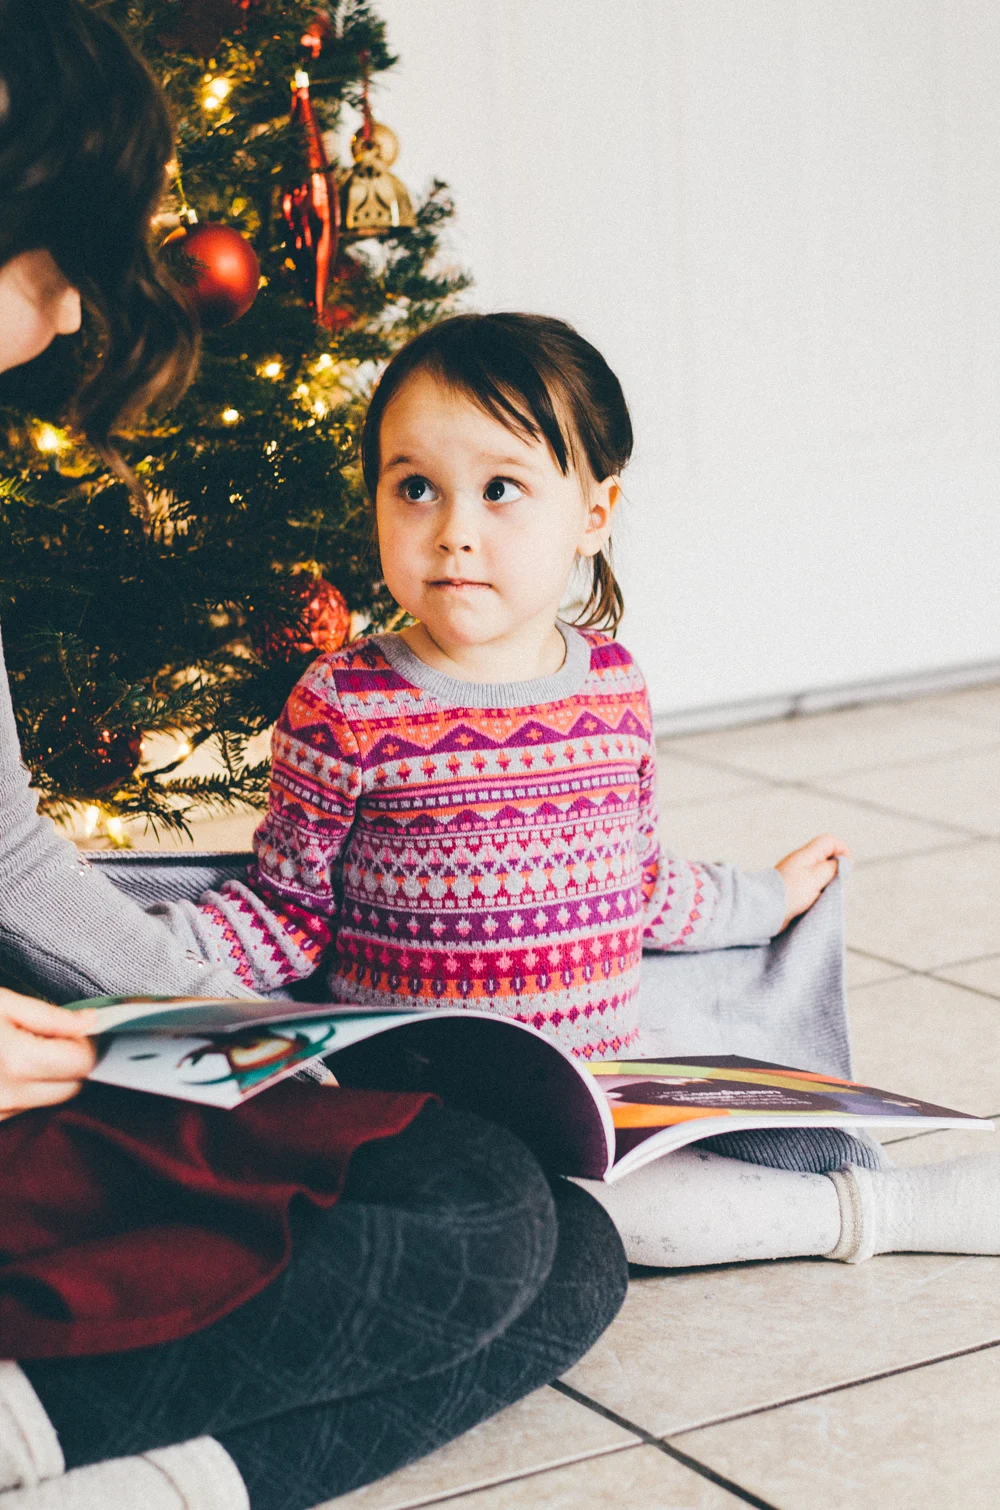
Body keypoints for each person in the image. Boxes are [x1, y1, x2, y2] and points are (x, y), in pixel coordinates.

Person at [0, 6, 628, 1508]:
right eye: (61, 260)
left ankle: (143, 1481)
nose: (78, 319)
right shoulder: (349, 706)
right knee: (471, 1221)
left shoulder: (608, 686)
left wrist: (242, 1035)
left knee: (563, 1235)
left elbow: (9, 852)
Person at [186, 308, 1000, 1273]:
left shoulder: (613, 685)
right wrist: (129, 958)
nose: (453, 533)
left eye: (500, 490)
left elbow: (640, 882)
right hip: (419, 1093)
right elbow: (287, 911)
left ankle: (877, 1209)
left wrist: (768, 896)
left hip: (592, 1088)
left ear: (593, 514)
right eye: (415, 489)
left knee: (641, 1209)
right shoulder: (343, 703)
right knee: (438, 1221)